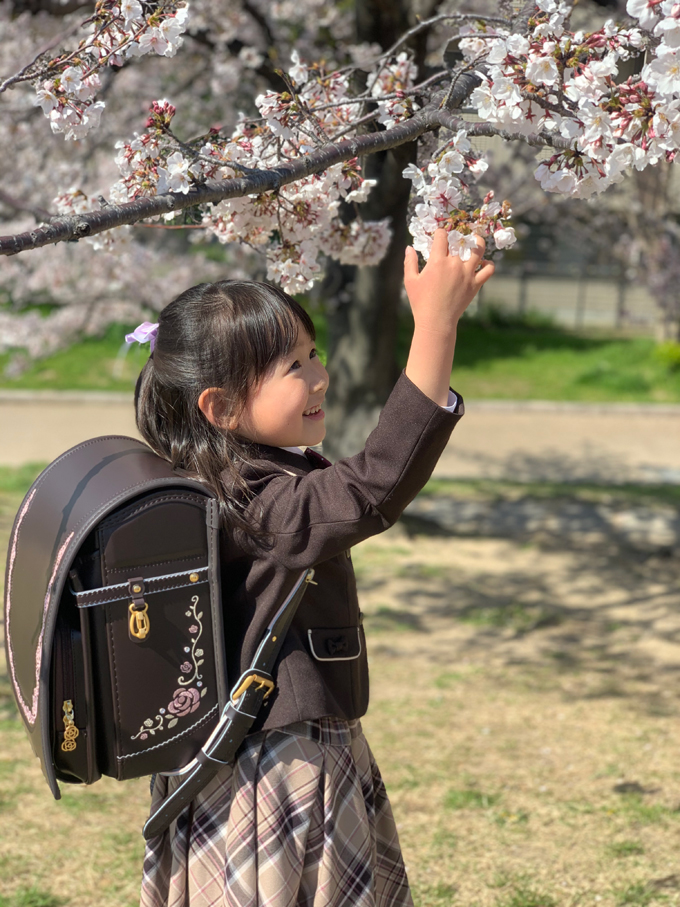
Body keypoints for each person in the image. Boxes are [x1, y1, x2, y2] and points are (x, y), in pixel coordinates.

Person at [131, 228, 494, 907]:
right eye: (293, 365)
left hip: (243, 752)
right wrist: (436, 329)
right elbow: (371, 488)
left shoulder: (224, 479)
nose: (319, 374)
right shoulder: (259, 503)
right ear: (221, 406)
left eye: (313, 352)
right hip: (282, 766)